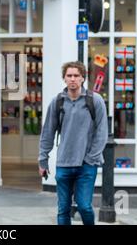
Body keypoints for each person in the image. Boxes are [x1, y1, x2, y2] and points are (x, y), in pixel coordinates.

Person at [38, 61, 108, 225]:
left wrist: (91, 158)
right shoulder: (57, 102)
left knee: (84, 207)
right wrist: (43, 159)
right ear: (64, 78)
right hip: (64, 163)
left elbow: (102, 132)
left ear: (83, 78)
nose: (72, 79)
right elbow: (47, 132)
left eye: (76, 75)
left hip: (87, 164)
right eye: (69, 75)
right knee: (63, 209)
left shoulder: (95, 101)